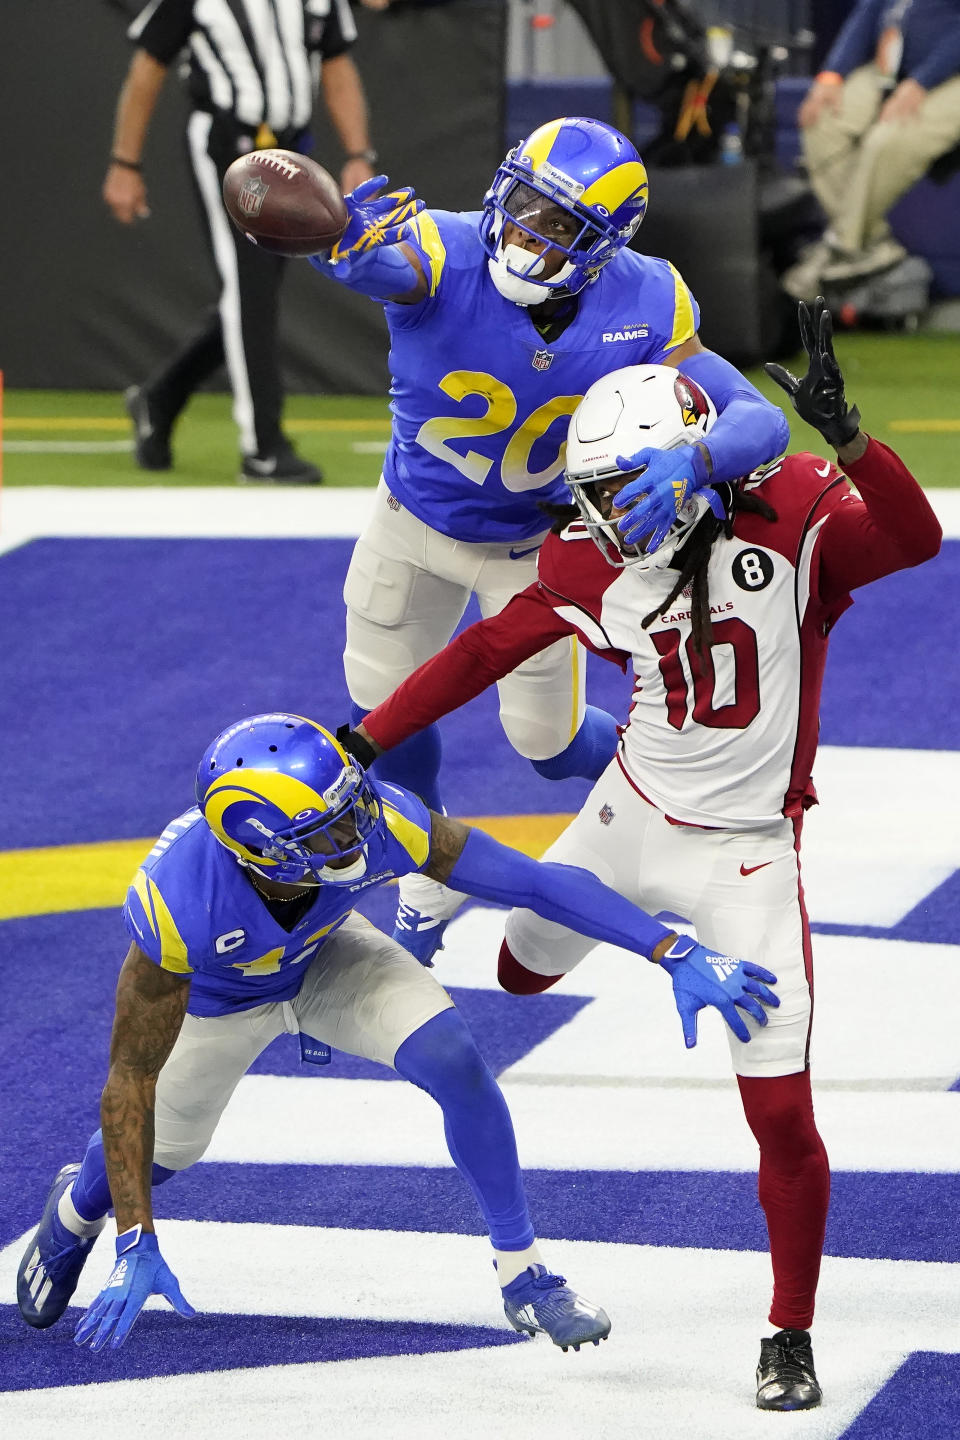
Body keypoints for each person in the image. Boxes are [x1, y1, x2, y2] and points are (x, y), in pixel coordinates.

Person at [337, 301, 943, 1409]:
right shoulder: (584, 560)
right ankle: (639, 940)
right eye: (598, 493)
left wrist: (852, 442)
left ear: (694, 466)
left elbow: (913, 540)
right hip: (631, 811)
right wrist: (362, 740)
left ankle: (788, 1332)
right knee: (519, 970)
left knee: (781, 1117)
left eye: (628, 488)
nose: (608, 515)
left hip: (749, 856)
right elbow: (480, 652)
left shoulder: (793, 517)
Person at [16, 713, 778, 1353]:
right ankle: (74, 1214)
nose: (358, 828)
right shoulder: (178, 903)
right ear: (260, 849)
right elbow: (129, 1080)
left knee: (456, 1059)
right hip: (220, 1002)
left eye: (350, 804)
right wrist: (133, 1235)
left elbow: (539, 882)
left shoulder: (381, 822)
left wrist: (671, 949)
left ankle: (524, 1273)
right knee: (165, 1156)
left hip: (323, 957)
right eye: (327, 830)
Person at [306, 114, 790, 957]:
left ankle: (673, 777)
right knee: (382, 714)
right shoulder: (441, 251)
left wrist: (696, 459)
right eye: (524, 202)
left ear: (607, 243)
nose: (528, 229)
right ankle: (429, 862)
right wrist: (336, 242)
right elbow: (385, 260)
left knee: (551, 745)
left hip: (533, 550)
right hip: (413, 521)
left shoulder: (647, 297)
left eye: (560, 222)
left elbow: (762, 420)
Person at [104, 0, 378, 484]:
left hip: (290, 152)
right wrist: (125, 163)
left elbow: (336, 63)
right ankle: (263, 447)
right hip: (228, 148)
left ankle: (160, 398)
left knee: (248, 299)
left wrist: (357, 153)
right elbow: (147, 67)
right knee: (248, 296)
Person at [785, 0, 960, 299]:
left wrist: (923, 80)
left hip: (949, 72)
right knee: (822, 121)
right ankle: (873, 247)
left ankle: (842, 246)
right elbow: (867, 14)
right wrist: (832, 75)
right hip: (895, 67)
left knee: (886, 140)